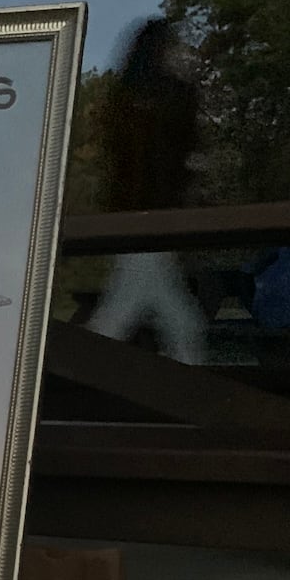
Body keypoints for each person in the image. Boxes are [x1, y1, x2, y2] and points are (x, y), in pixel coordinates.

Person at [84, 18, 209, 364]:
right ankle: (73, 381)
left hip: (135, 219)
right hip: (151, 222)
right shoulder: (168, 99)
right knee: (169, 323)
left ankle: (75, 381)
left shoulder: (127, 99)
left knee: (168, 321)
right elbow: (169, 162)